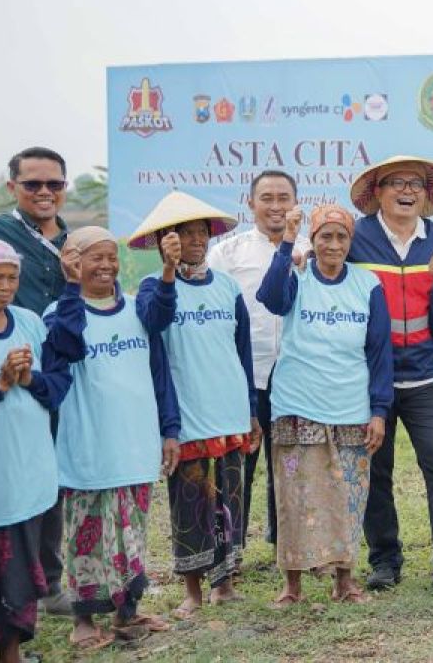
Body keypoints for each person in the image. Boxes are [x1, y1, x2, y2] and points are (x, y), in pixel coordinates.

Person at [42, 227, 178, 649]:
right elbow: (64, 346)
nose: (104, 266)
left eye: (110, 257)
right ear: (71, 261)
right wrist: (69, 288)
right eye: (92, 258)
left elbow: (160, 371)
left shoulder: (138, 309)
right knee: (86, 534)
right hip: (89, 447)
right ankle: (84, 619)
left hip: (135, 443)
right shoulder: (59, 312)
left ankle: (127, 613)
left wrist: (169, 430)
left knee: (132, 533)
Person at [128, 192, 261, 618]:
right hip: (186, 418)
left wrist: (252, 409)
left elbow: (243, 352)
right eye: (184, 233)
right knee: (189, 506)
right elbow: (154, 322)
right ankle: (192, 592)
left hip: (230, 413)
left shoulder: (226, 287)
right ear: (166, 241)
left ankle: (225, 584)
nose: (195, 239)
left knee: (230, 502)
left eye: (201, 231)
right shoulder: (153, 288)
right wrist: (168, 273)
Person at [258, 204, 393, 607]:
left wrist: (379, 410)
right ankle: (292, 585)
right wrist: (285, 245)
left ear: (350, 242)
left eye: (341, 237)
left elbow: (380, 353)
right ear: (313, 241)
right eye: (325, 236)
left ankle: (344, 581)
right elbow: (270, 299)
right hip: (297, 407)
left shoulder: (367, 286)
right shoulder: (296, 276)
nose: (333, 244)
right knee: (293, 496)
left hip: (350, 407)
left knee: (348, 497)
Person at [347, 155, 433, 594]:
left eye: (415, 183)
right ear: (377, 193)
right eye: (395, 182)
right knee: (374, 470)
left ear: (426, 194)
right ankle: (384, 560)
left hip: (426, 376)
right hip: (369, 380)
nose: (406, 190)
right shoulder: (356, 238)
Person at [0, 147, 73, 616]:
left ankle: (47, 583)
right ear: (13, 187)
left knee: (49, 473)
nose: (45, 192)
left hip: (54, 371)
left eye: (54, 184)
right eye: (33, 184)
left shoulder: (73, 240)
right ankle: (7, 592)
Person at [208, 170, 310, 549]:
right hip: (244, 377)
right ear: (250, 203)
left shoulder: (312, 249)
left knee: (289, 464)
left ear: (296, 204)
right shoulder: (228, 253)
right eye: (266, 197)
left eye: (284, 197)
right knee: (238, 468)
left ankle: (285, 542)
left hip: (295, 377)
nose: (276, 206)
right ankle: (230, 547)